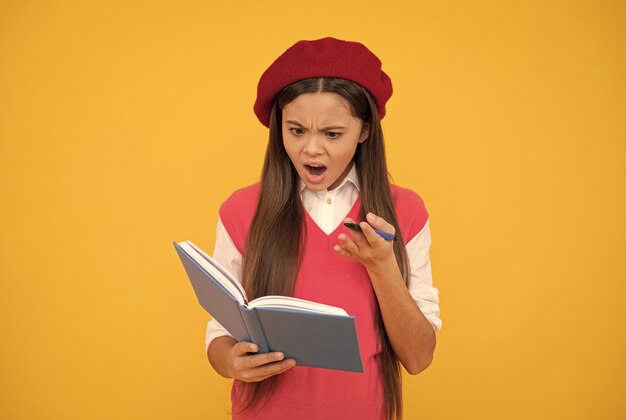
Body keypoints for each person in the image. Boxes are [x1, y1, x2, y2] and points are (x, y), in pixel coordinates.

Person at [205, 37, 442, 419]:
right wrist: (231, 362)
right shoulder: (241, 210)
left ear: (364, 131)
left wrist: (382, 266)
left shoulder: (405, 212)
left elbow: (418, 357)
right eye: (296, 130)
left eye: (332, 134)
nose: (311, 149)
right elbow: (220, 334)